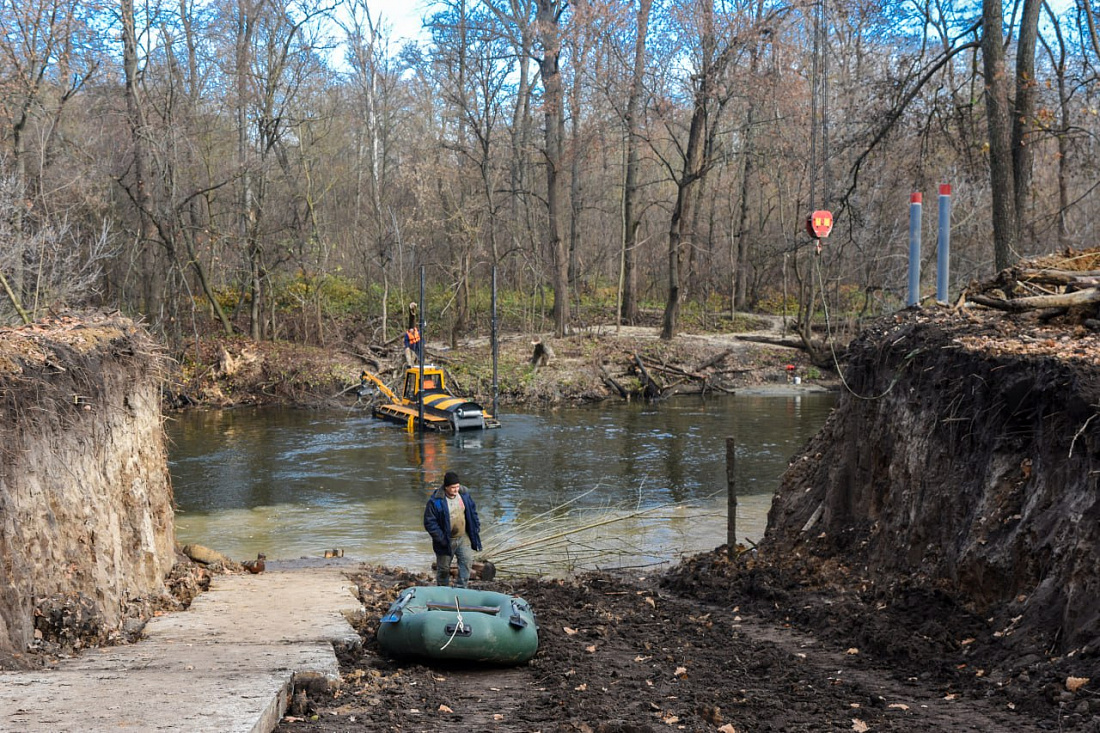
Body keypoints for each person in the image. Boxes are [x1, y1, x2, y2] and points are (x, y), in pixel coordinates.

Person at [423, 471, 482, 588]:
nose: (456, 490)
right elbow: (429, 522)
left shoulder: (464, 495)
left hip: (463, 537)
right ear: (446, 487)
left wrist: (476, 526)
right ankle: (443, 589)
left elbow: (472, 511)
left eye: (457, 486)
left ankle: (461, 587)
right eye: (453, 487)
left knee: (466, 562)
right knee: (444, 569)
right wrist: (441, 539)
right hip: (445, 540)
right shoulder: (436, 501)